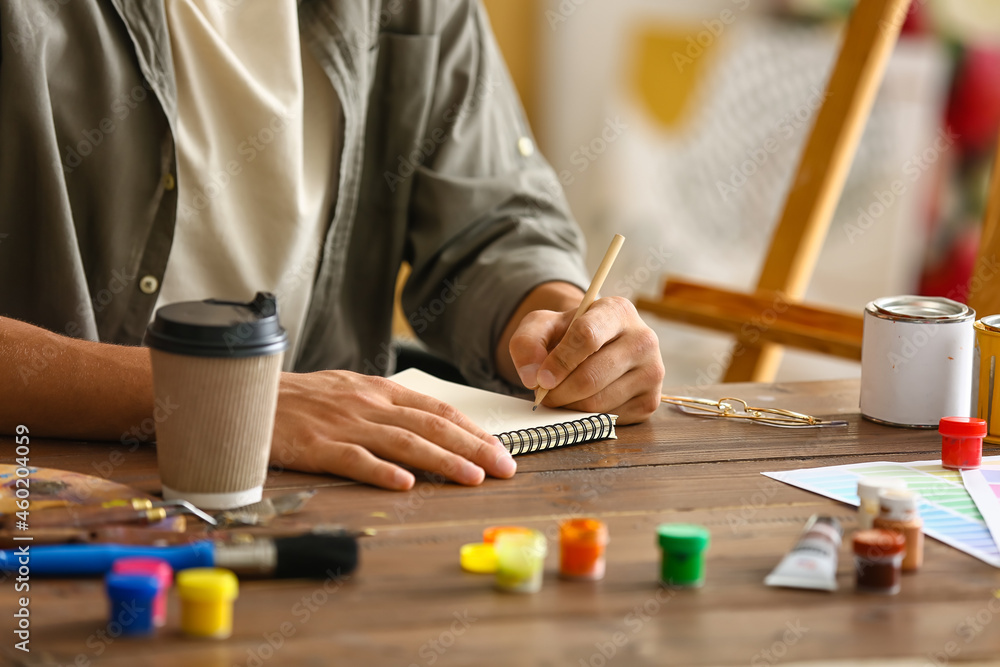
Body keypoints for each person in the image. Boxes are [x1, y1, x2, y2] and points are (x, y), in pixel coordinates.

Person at [0, 0, 664, 490]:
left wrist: (556, 326)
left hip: (337, 485)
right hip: (55, 493)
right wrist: (234, 399)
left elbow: (491, 223)